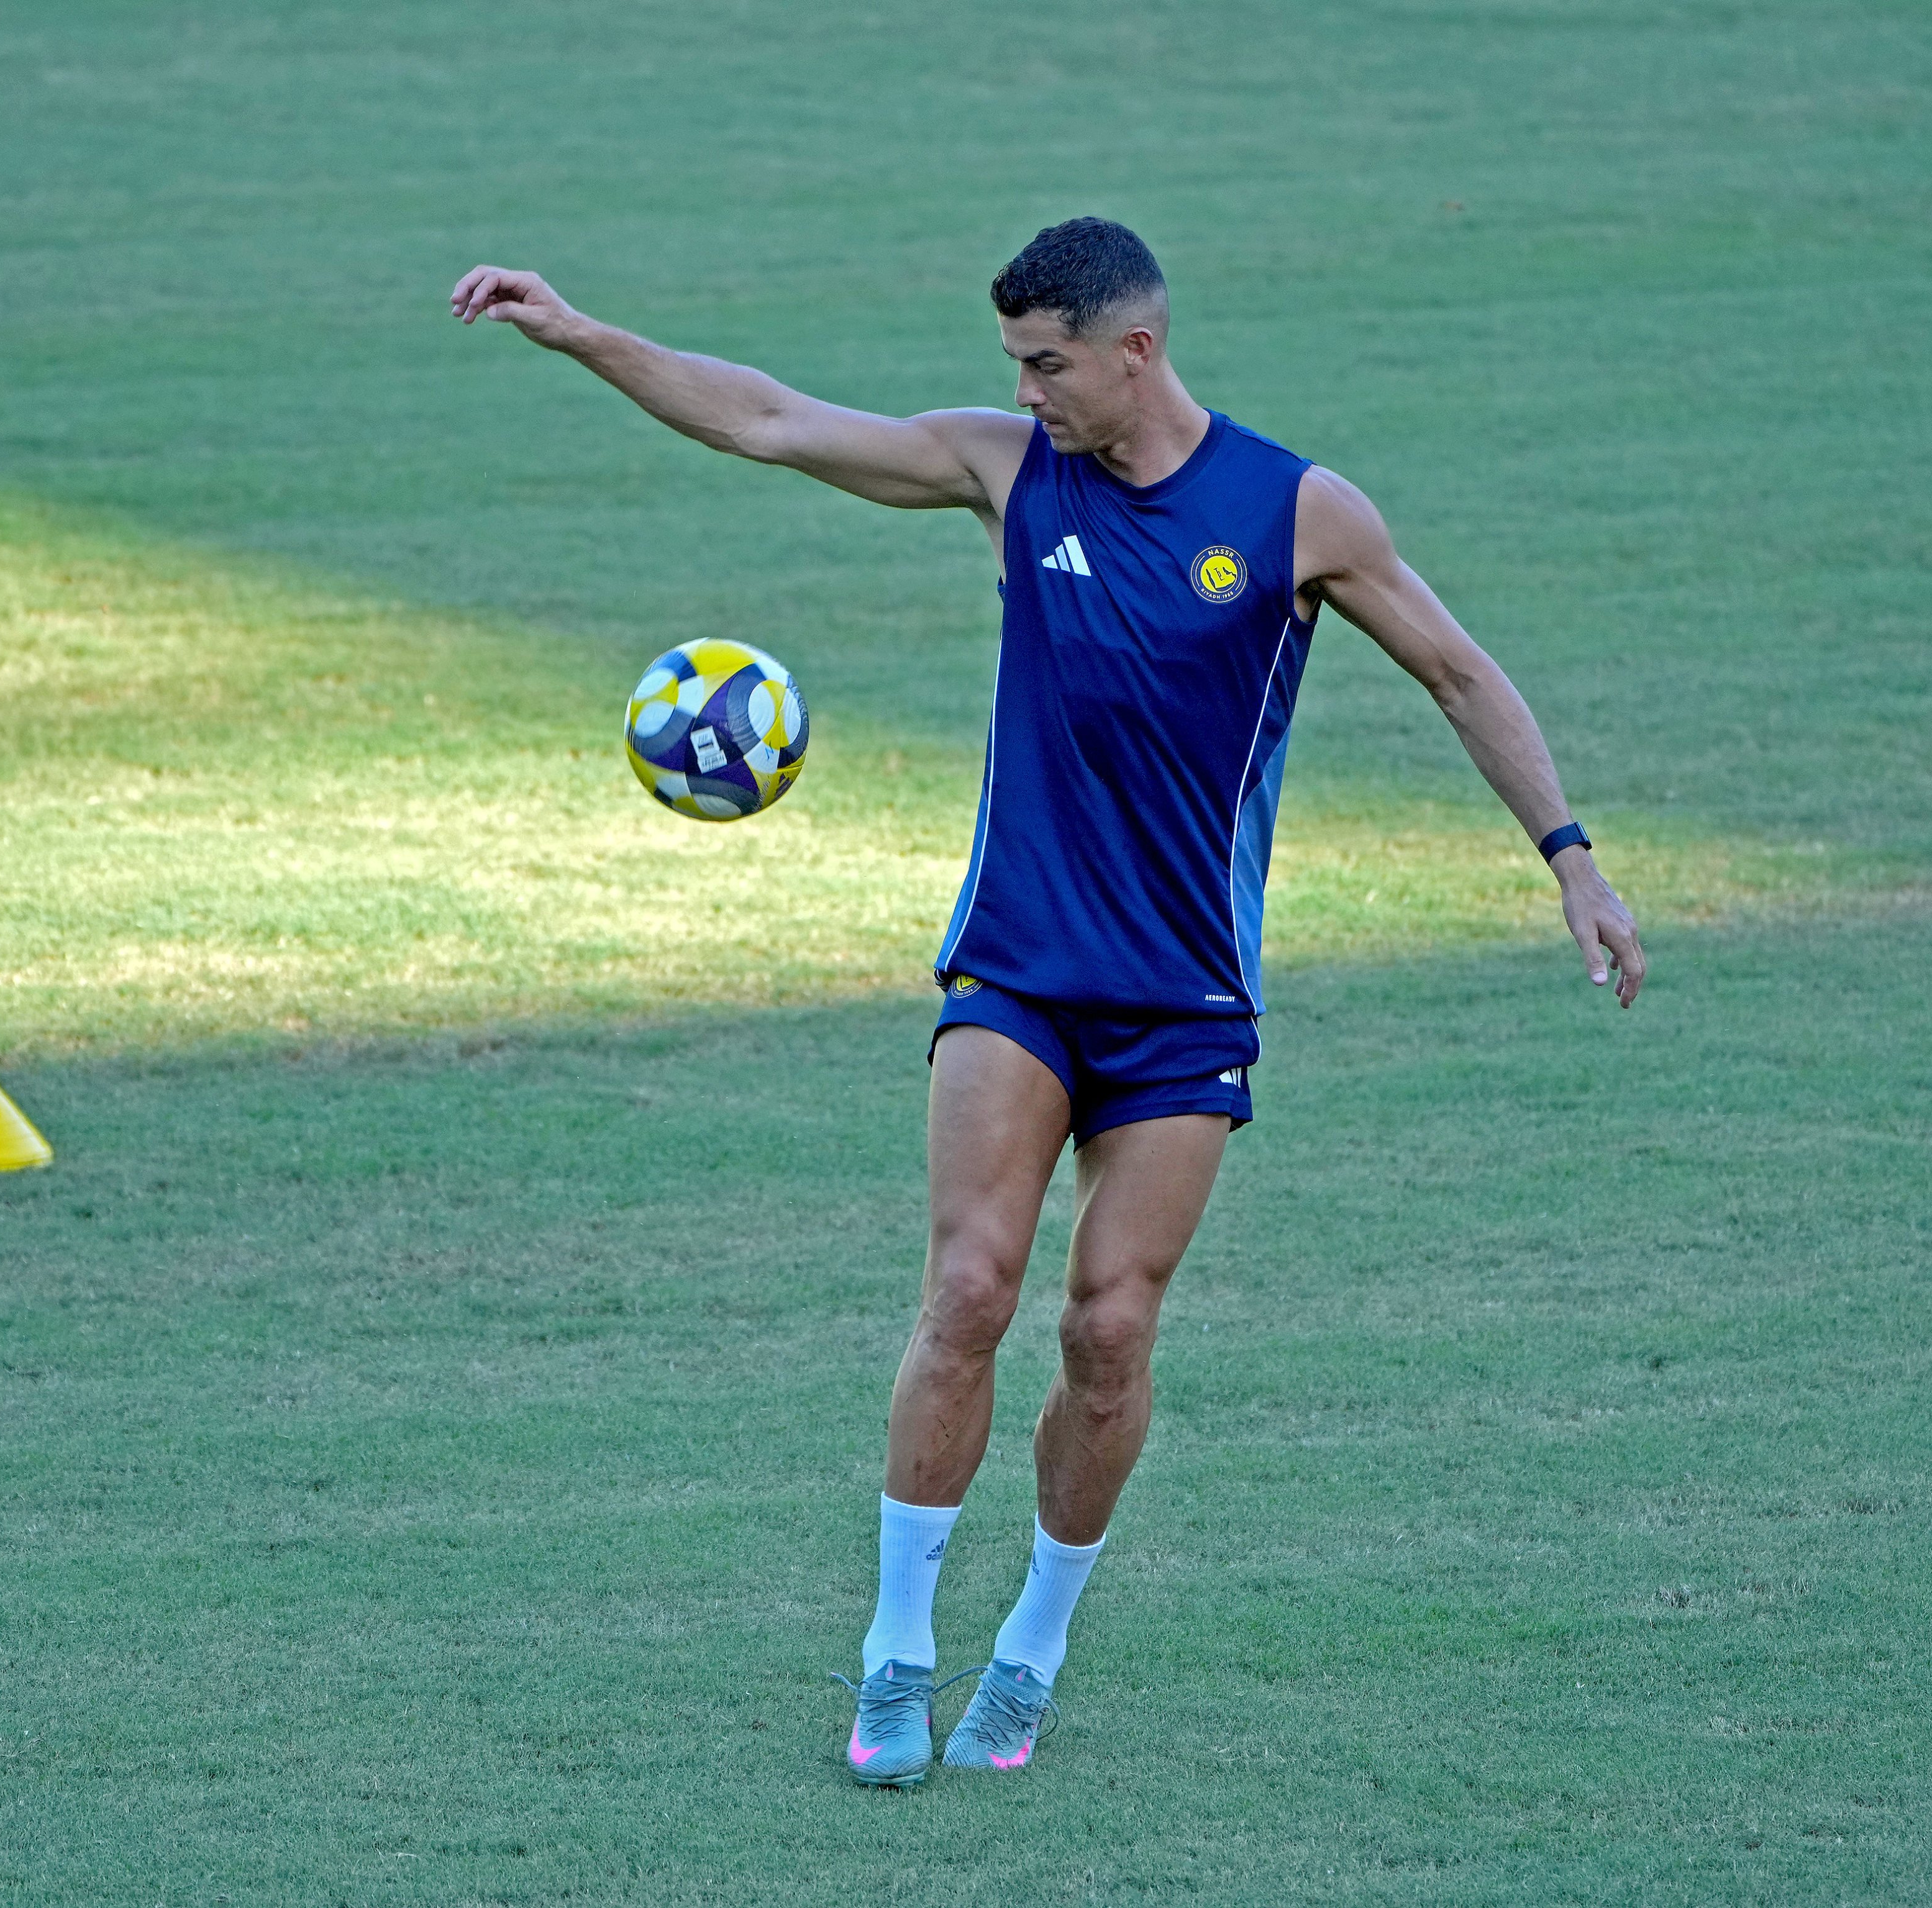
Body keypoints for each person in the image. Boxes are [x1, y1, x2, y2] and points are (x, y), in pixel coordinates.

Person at [449, 218, 1646, 1787]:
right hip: (1015, 968)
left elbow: (1459, 673)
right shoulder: (1009, 471)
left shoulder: (1294, 514)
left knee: (1108, 1326)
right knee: (966, 1293)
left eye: (1044, 364)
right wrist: (581, 332)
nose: (1022, 389)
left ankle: (1029, 1654)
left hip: (1183, 1005)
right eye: (1015, 363)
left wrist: (1568, 857)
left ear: (1131, 350)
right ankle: (892, 1658)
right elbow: (771, 420)